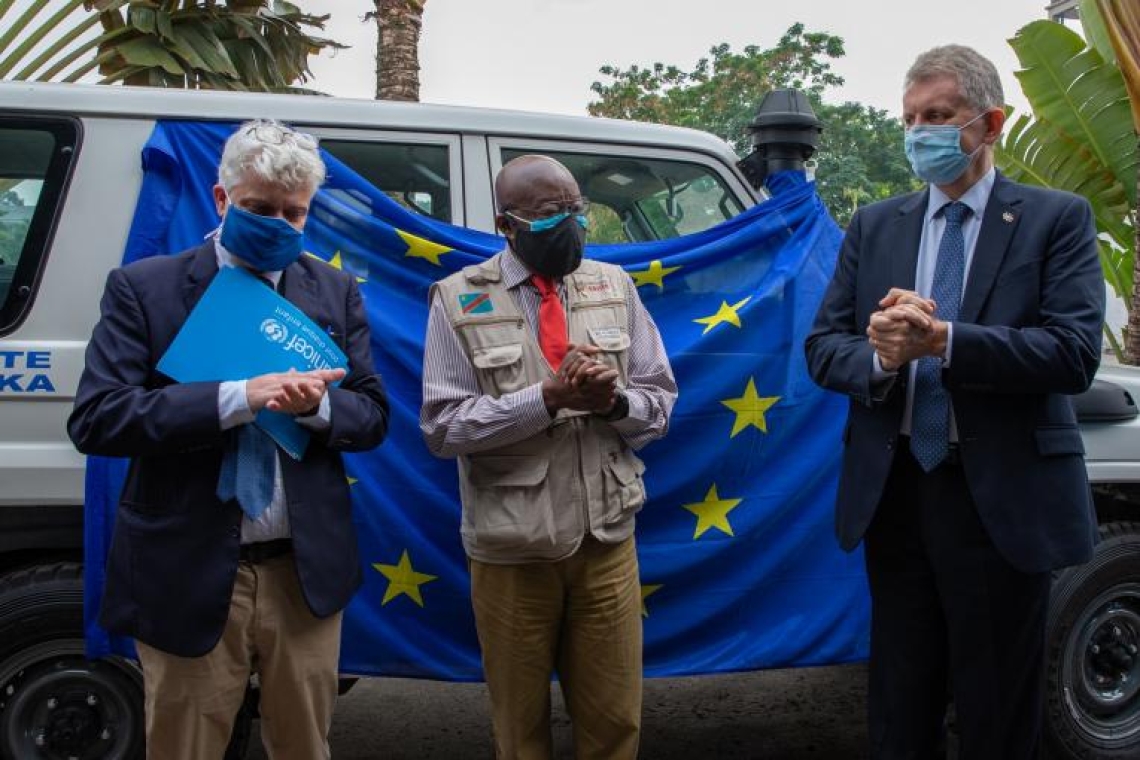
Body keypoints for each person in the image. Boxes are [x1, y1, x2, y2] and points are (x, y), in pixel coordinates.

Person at [805, 45, 1104, 759]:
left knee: (998, 712)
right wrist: (880, 354)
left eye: (937, 116)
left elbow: (1073, 354)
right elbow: (823, 347)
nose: (919, 134)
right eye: (909, 119)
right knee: (899, 711)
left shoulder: (1054, 219)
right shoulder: (876, 224)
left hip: (1001, 499)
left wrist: (945, 340)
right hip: (899, 492)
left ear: (990, 122)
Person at [68, 120, 389, 760]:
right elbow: (99, 418)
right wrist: (240, 398)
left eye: (293, 213)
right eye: (259, 208)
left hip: (301, 576)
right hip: (185, 571)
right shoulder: (144, 287)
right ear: (221, 199)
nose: (278, 223)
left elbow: (372, 414)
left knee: (304, 746)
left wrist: (319, 407)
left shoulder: (332, 289)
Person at [420, 154, 677, 759]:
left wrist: (614, 404)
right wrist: (546, 399)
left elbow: (660, 403)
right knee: (520, 728)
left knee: (615, 723)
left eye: (574, 210)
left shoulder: (613, 286)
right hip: (513, 551)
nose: (567, 223)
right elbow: (442, 428)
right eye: (545, 214)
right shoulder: (458, 299)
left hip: (606, 542)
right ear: (506, 224)